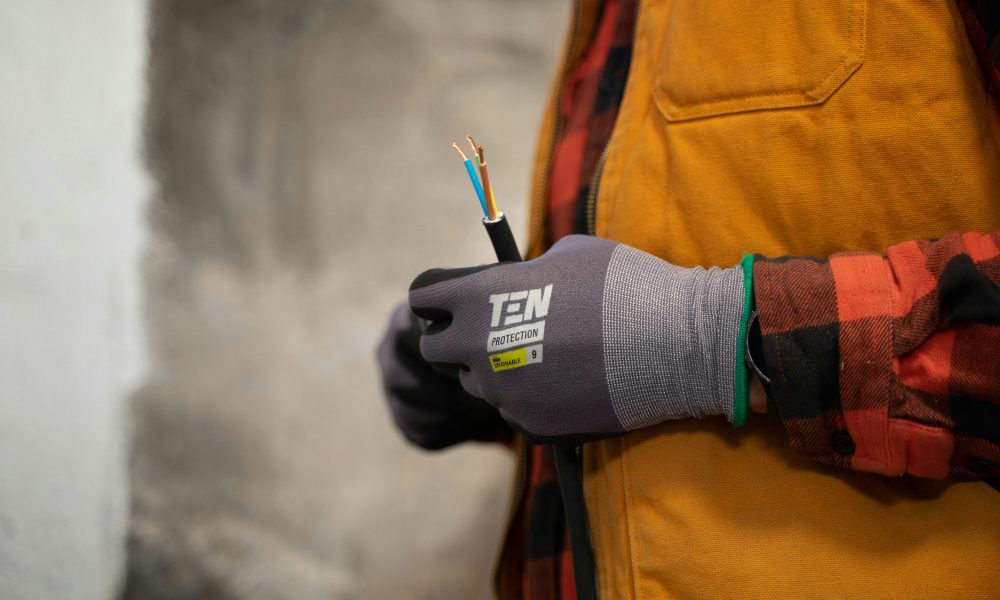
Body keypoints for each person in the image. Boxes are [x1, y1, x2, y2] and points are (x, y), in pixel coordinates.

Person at [378, 1, 1000, 598]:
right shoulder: (610, 26)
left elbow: (643, 339)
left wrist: (714, 335)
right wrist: (492, 383)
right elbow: (615, 376)